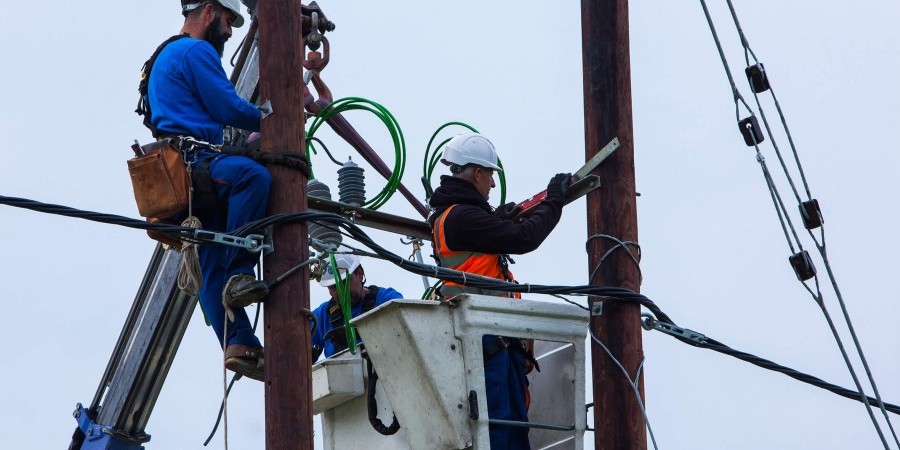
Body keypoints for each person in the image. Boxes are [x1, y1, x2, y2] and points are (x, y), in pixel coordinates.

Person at [146, 0, 270, 381]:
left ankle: (239, 342)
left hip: (179, 173)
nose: (230, 32)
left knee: (213, 256)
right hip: (195, 165)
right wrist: (279, 115)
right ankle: (241, 275)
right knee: (254, 177)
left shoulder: (163, 56)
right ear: (210, 12)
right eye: (228, 21)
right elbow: (227, 106)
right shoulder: (195, 49)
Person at [427, 132, 570, 450]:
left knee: (507, 432)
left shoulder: (451, 216)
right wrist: (554, 202)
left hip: (492, 340)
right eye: (490, 175)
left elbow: (481, 245)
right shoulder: (462, 218)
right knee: (504, 435)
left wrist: (496, 219)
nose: (492, 184)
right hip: (491, 343)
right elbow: (524, 239)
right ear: (476, 173)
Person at [310, 254, 403, 361]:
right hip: (343, 375)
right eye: (333, 287)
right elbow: (300, 346)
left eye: (344, 282)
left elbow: (402, 330)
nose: (340, 292)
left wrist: (357, 332)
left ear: (360, 274)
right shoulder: (322, 315)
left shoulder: (386, 299)